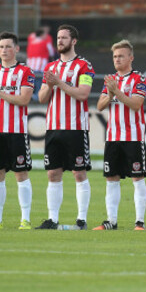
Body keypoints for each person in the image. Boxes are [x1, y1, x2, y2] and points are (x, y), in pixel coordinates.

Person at [34, 24, 95, 230]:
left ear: (74, 41)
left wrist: (59, 82)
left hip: (76, 127)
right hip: (53, 127)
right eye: (58, 38)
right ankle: (52, 219)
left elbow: (83, 94)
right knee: (53, 173)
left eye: (64, 38)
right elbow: (42, 98)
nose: (59, 41)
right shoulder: (50, 68)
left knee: (79, 173)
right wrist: (50, 85)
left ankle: (81, 219)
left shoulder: (84, 66)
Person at [0, 31, 35, 230]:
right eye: (1, 47)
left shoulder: (25, 72)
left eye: (8, 46)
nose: (4, 50)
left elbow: (24, 100)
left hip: (16, 131)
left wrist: (0, 92)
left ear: (17, 49)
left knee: (21, 173)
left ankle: (25, 219)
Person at [94, 40, 146, 231]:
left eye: (121, 56)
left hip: (133, 137)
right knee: (111, 178)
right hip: (113, 137)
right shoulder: (110, 80)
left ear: (131, 58)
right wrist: (110, 95)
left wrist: (116, 91)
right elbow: (99, 106)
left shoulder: (139, 79)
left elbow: (136, 104)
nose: (117, 59)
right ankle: (112, 221)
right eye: (115, 56)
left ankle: (139, 222)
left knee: (137, 178)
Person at [26, 26, 55, 100]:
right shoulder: (45, 41)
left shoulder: (31, 40)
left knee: (32, 80)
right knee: (40, 80)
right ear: (42, 35)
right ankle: (37, 96)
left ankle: (30, 95)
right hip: (41, 65)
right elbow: (51, 52)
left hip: (30, 64)